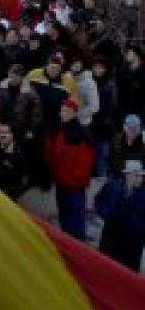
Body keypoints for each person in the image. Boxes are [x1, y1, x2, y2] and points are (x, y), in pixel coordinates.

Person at [47, 99, 96, 241]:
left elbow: (85, 164)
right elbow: (53, 154)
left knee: (75, 223)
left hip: (74, 188)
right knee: (65, 219)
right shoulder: (59, 130)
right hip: (62, 184)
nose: (62, 114)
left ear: (74, 113)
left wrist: (74, 180)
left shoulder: (83, 134)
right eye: (61, 111)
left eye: (66, 111)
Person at [94, 160, 145, 272]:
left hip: (132, 243)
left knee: (127, 272)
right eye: (136, 175)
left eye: (141, 176)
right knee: (106, 269)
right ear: (127, 175)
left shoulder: (143, 194)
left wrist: (137, 228)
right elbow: (99, 201)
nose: (140, 179)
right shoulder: (112, 187)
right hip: (111, 237)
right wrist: (107, 215)